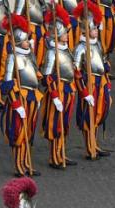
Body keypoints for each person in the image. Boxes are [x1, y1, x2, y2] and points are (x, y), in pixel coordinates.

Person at [0, 13, 43, 177]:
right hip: (21, 98)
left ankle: (26, 163)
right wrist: (16, 105)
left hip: (32, 96)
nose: (28, 42)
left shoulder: (29, 55)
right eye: (25, 40)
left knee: (29, 133)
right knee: (19, 133)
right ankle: (18, 165)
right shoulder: (13, 58)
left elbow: (36, 75)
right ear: (18, 41)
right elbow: (8, 84)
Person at [73, 1, 113, 160]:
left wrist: (107, 77)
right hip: (88, 84)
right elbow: (76, 71)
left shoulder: (98, 45)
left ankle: (94, 143)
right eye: (94, 28)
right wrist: (83, 92)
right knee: (87, 116)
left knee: (98, 114)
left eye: (96, 28)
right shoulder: (80, 48)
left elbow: (103, 62)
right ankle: (89, 147)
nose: (96, 30)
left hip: (100, 83)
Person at [40, 4, 77, 169]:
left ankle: (61, 153)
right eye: (64, 34)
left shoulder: (67, 49)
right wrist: (55, 96)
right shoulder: (51, 52)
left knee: (65, 124)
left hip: (69, 88)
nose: (67, 36)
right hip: (59, 90)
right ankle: (53, 156)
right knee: (55, 124)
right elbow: (47, 76)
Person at [13, 0, 47, 67]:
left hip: (41, 29)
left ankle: (38, 72)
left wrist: (43, 5)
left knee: (41, 54)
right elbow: (17, 17)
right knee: (31, 54)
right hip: (30, 29)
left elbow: (44, 16)